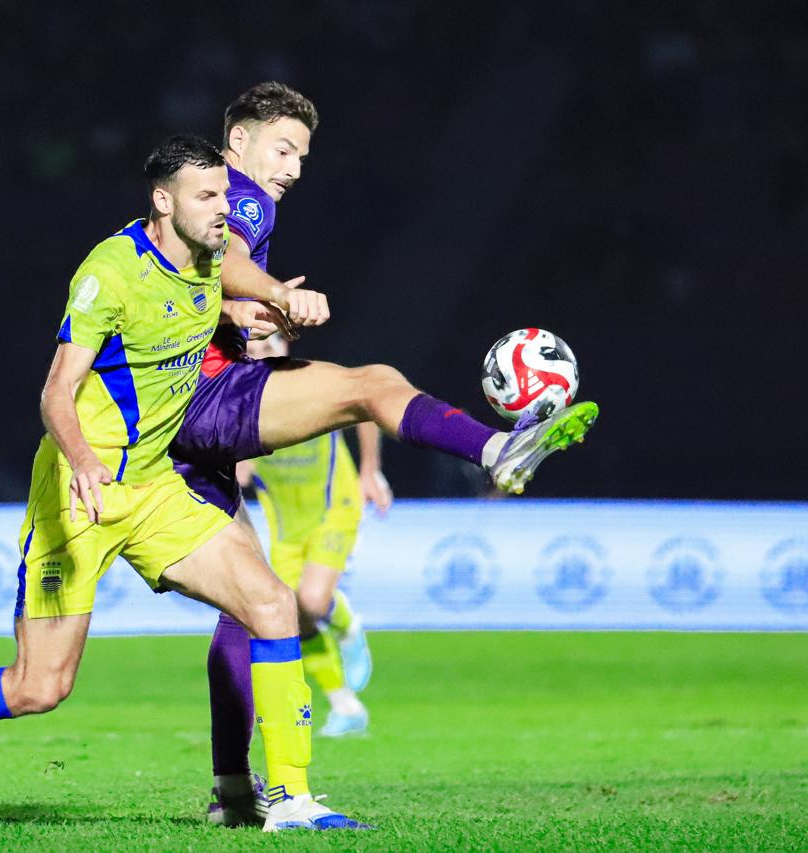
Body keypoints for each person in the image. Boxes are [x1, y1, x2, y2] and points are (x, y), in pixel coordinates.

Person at [0, 135, 371, 832]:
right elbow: (56, 392)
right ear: (161, 199)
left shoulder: (206, 262)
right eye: (205, 196)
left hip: (153, 488)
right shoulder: (108, 272)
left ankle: (290, 800)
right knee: (39, 686)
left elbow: (199, 311)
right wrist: (85, 463)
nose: (221, 210)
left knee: (270, 603)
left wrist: (250, 309)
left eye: (223, 195)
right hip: (78, 492)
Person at [168, 82, 599, 826]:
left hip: (165, 411)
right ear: (237, 142)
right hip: (199, 404)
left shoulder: (187, 202)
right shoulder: (241, 197)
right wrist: (267, 291)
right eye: (283, 147)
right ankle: (495, 447)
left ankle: (234, 791)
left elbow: (206, 277)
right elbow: (231, 254)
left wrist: (248, 308)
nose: (295, 167)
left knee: (244, 609)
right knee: (373, 383)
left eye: (303, 155)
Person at [237, 335, 385, 738]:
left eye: (269, 345)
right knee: (292, 616)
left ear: (286, 345)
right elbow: (239, 473)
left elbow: (369, 407)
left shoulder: (313, 381)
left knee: (311, 600)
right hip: (286, 530)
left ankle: (347, 624)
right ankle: (345, 705)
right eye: (253, 347)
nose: (262, 354)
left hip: (334, 510)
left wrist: (370, 472)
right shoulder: (239, 403)